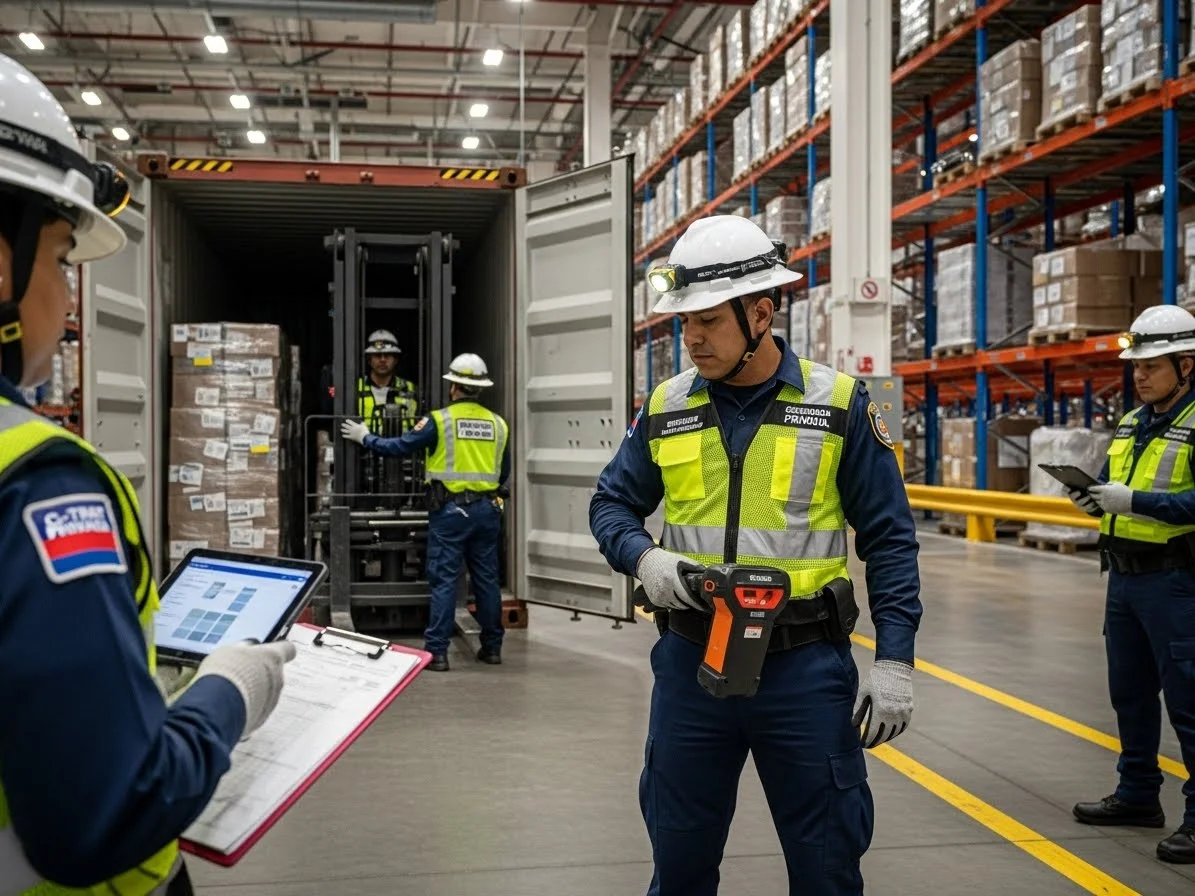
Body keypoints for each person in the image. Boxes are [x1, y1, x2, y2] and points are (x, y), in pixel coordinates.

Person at [0, 52, 296, 894]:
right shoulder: (37, 482)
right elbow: (111, 807)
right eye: (60, 258)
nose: (66, 295)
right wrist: (228, 694)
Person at [589, 215, 923, 896]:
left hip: (803, 670)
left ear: (760, 312)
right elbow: (610, 505)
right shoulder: (666, 405)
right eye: (684, 324)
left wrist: (893, 660)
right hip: (691, 667)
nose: (692, 339)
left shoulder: (838, 405)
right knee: (679, 866)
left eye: (708, 321)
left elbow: (888, 539)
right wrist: (644, 559)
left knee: (826, 866)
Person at [1068, 304, 1195, 864]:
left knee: (1190, 704)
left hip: (1177, 582)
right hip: (1124, 580)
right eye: (1136, 365)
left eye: (1152, 365)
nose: (1138, 375)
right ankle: (1139, 794)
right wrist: (1096, 498)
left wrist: (1137, 502)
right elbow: (1120, 491)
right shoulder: (1133, 421)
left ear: (1186, 365)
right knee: (1131, 696)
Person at [341, 353, 510, 672]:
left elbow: (400, 447)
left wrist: (366, 437)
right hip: (488, 511)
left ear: (454, 387)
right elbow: (503, 474)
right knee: (486, 580)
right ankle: (492, 648)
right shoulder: (499, 425)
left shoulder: (439, 421)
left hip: (450, 512)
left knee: (444, 578)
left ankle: (438, 652)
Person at [357, 329, 418, 433]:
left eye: (388, 355)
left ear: (396, 360)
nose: (382, 360)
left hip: (402, 447)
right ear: (369, 360)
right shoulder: (356, 388)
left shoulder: (410, 389)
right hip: (364, 447)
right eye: (377, 355)